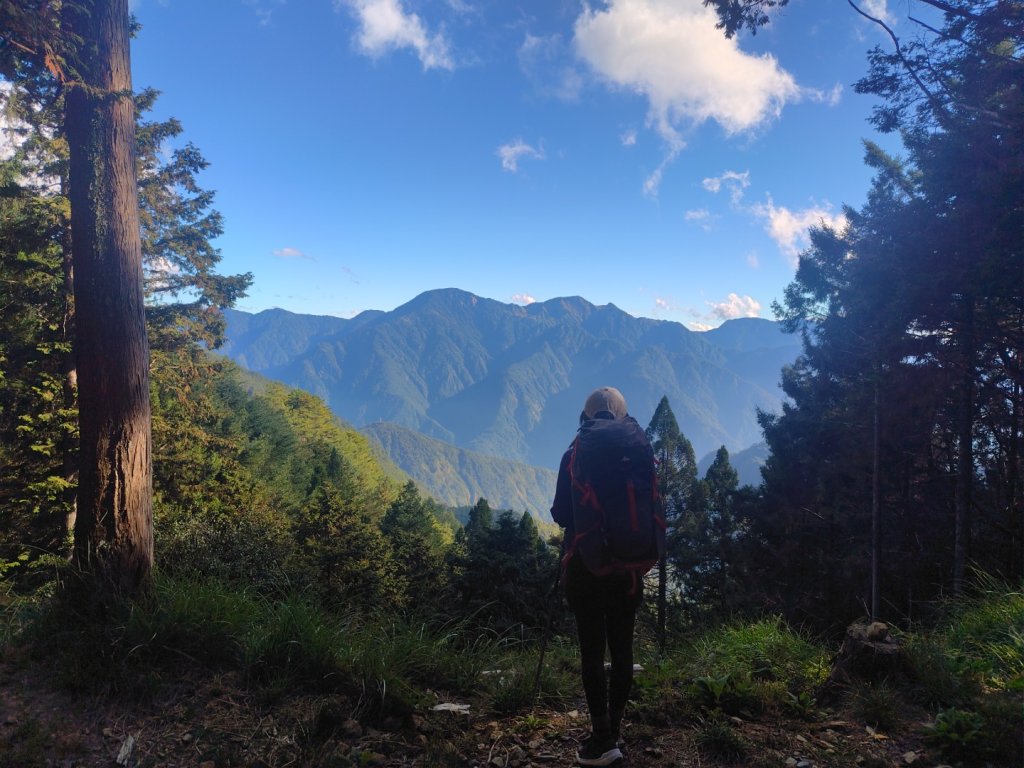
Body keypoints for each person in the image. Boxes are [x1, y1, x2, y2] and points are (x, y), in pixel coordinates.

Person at [550, 386, 648, 767]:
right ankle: (617, 731)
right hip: (629, 568)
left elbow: (561, 512)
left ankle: (602, 737)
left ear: (585, 418)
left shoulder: (574, 455)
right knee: (623, 649)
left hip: (586, 567)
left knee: (592, 651)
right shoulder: (638, 454)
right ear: (624, 418)